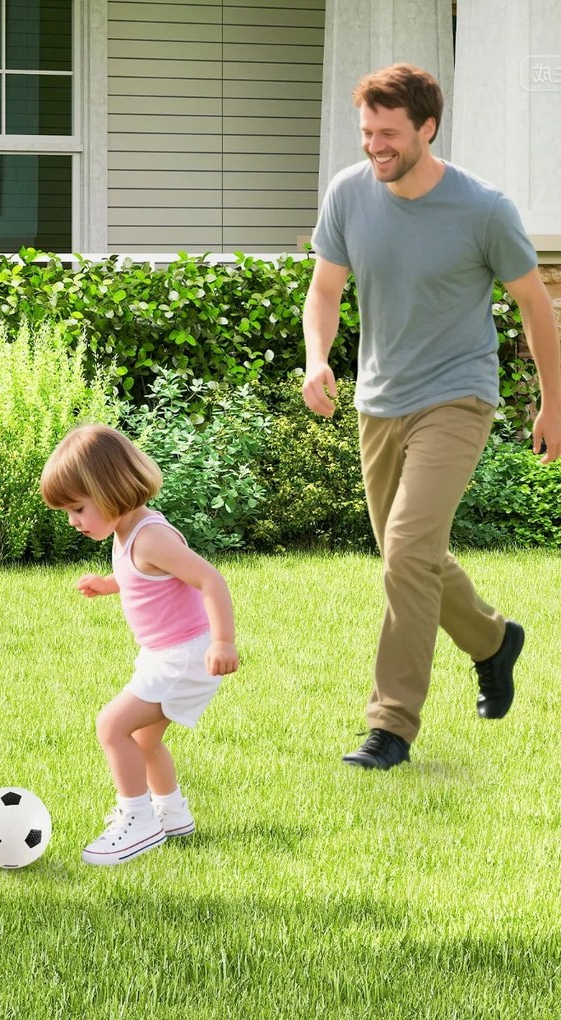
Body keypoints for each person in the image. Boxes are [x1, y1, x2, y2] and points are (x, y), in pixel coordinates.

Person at [302, 63, 561, 770]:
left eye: (389, 134)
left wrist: (554, 402)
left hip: (458, 396)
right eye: (366, 133)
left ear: (427, 128)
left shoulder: (482, 208)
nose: (375, 147)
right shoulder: (350, 194)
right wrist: (317, 358)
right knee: (409, 557)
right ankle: (493, 640)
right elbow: (324, 290)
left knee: (408, 552)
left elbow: (536, 307)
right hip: (378, 402)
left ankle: (391, 726)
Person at [40, 424, 239, 865]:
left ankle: (138, 821)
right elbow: (144, 577)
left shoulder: (151, 536)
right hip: (165, 654)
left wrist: (223, 641)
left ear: (110, 491)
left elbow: (210, 579)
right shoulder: (128, 534)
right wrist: (109, 584)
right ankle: (170, 813)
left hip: (184, 655)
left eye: (77, 508)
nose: (73, 521)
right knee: (145, 739)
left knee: (112, 726)